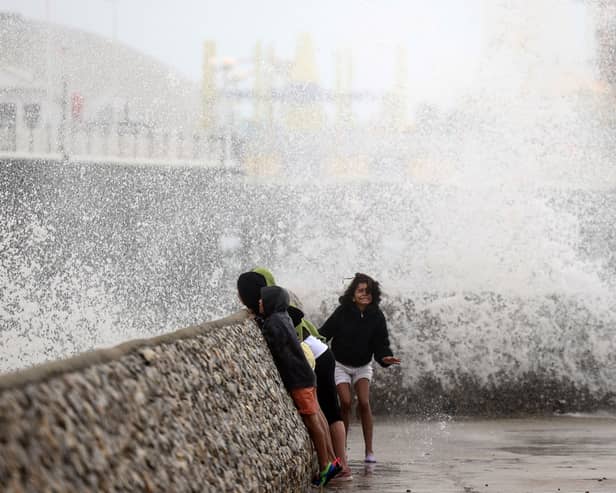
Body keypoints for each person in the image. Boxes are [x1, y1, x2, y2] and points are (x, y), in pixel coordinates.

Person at [237, 268, 352, 481]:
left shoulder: (274, 323)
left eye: (263, 301)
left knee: (316, 417)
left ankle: (328, 465)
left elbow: (277, 345)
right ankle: (335, 461)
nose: (260, 303)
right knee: (320, 414)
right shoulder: (284, 316)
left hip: (306, 372)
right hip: (311, 368)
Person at [319, 273, 400, 465]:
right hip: (340, 364)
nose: (365, 294)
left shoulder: (377, 315)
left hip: (363, 366)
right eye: (361, 291)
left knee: (364, 402)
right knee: (345, 403)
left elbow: (381, 344)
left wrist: (385, 358)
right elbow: (324, 333)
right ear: (353, 294)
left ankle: (369, 450)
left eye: (368, 291)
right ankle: (342, 448)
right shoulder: (342, 312)